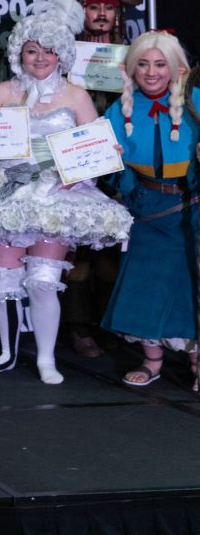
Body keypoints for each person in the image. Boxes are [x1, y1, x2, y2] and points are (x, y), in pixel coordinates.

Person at [0, 0, 132, 384]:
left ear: (62, 54)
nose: (40, 58)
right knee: (3, 281)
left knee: (43, 281)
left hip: (55, 196)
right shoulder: (4, 92)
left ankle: (45, 358)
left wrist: (105, 153)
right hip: (7, 195)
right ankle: (6, 352)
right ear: (18, 52)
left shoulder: (75, 95)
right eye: (31, 50)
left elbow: (93, 146)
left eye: (49, 51)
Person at [101, 30, 200, 386]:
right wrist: (111, 166)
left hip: (192, 205)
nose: (152, 71)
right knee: (145, 282)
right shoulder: (118, 109)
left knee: (191, 282)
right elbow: (107, 165)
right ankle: (152, 361)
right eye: (142, 64)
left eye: (160, 64)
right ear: (131, 69)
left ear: (176, 67)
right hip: (146, 207)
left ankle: (196, 361)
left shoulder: (197, 102)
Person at [52, 0, 140, 356]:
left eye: (110, 8)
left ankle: (110, 324)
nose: (102, 15)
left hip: (120, 163)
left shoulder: (135, 55)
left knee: (111, 254)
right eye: (95, 8)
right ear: (82, 11)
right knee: (76, 253)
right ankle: (78, 327)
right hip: (76, 158)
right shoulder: (65, 55)